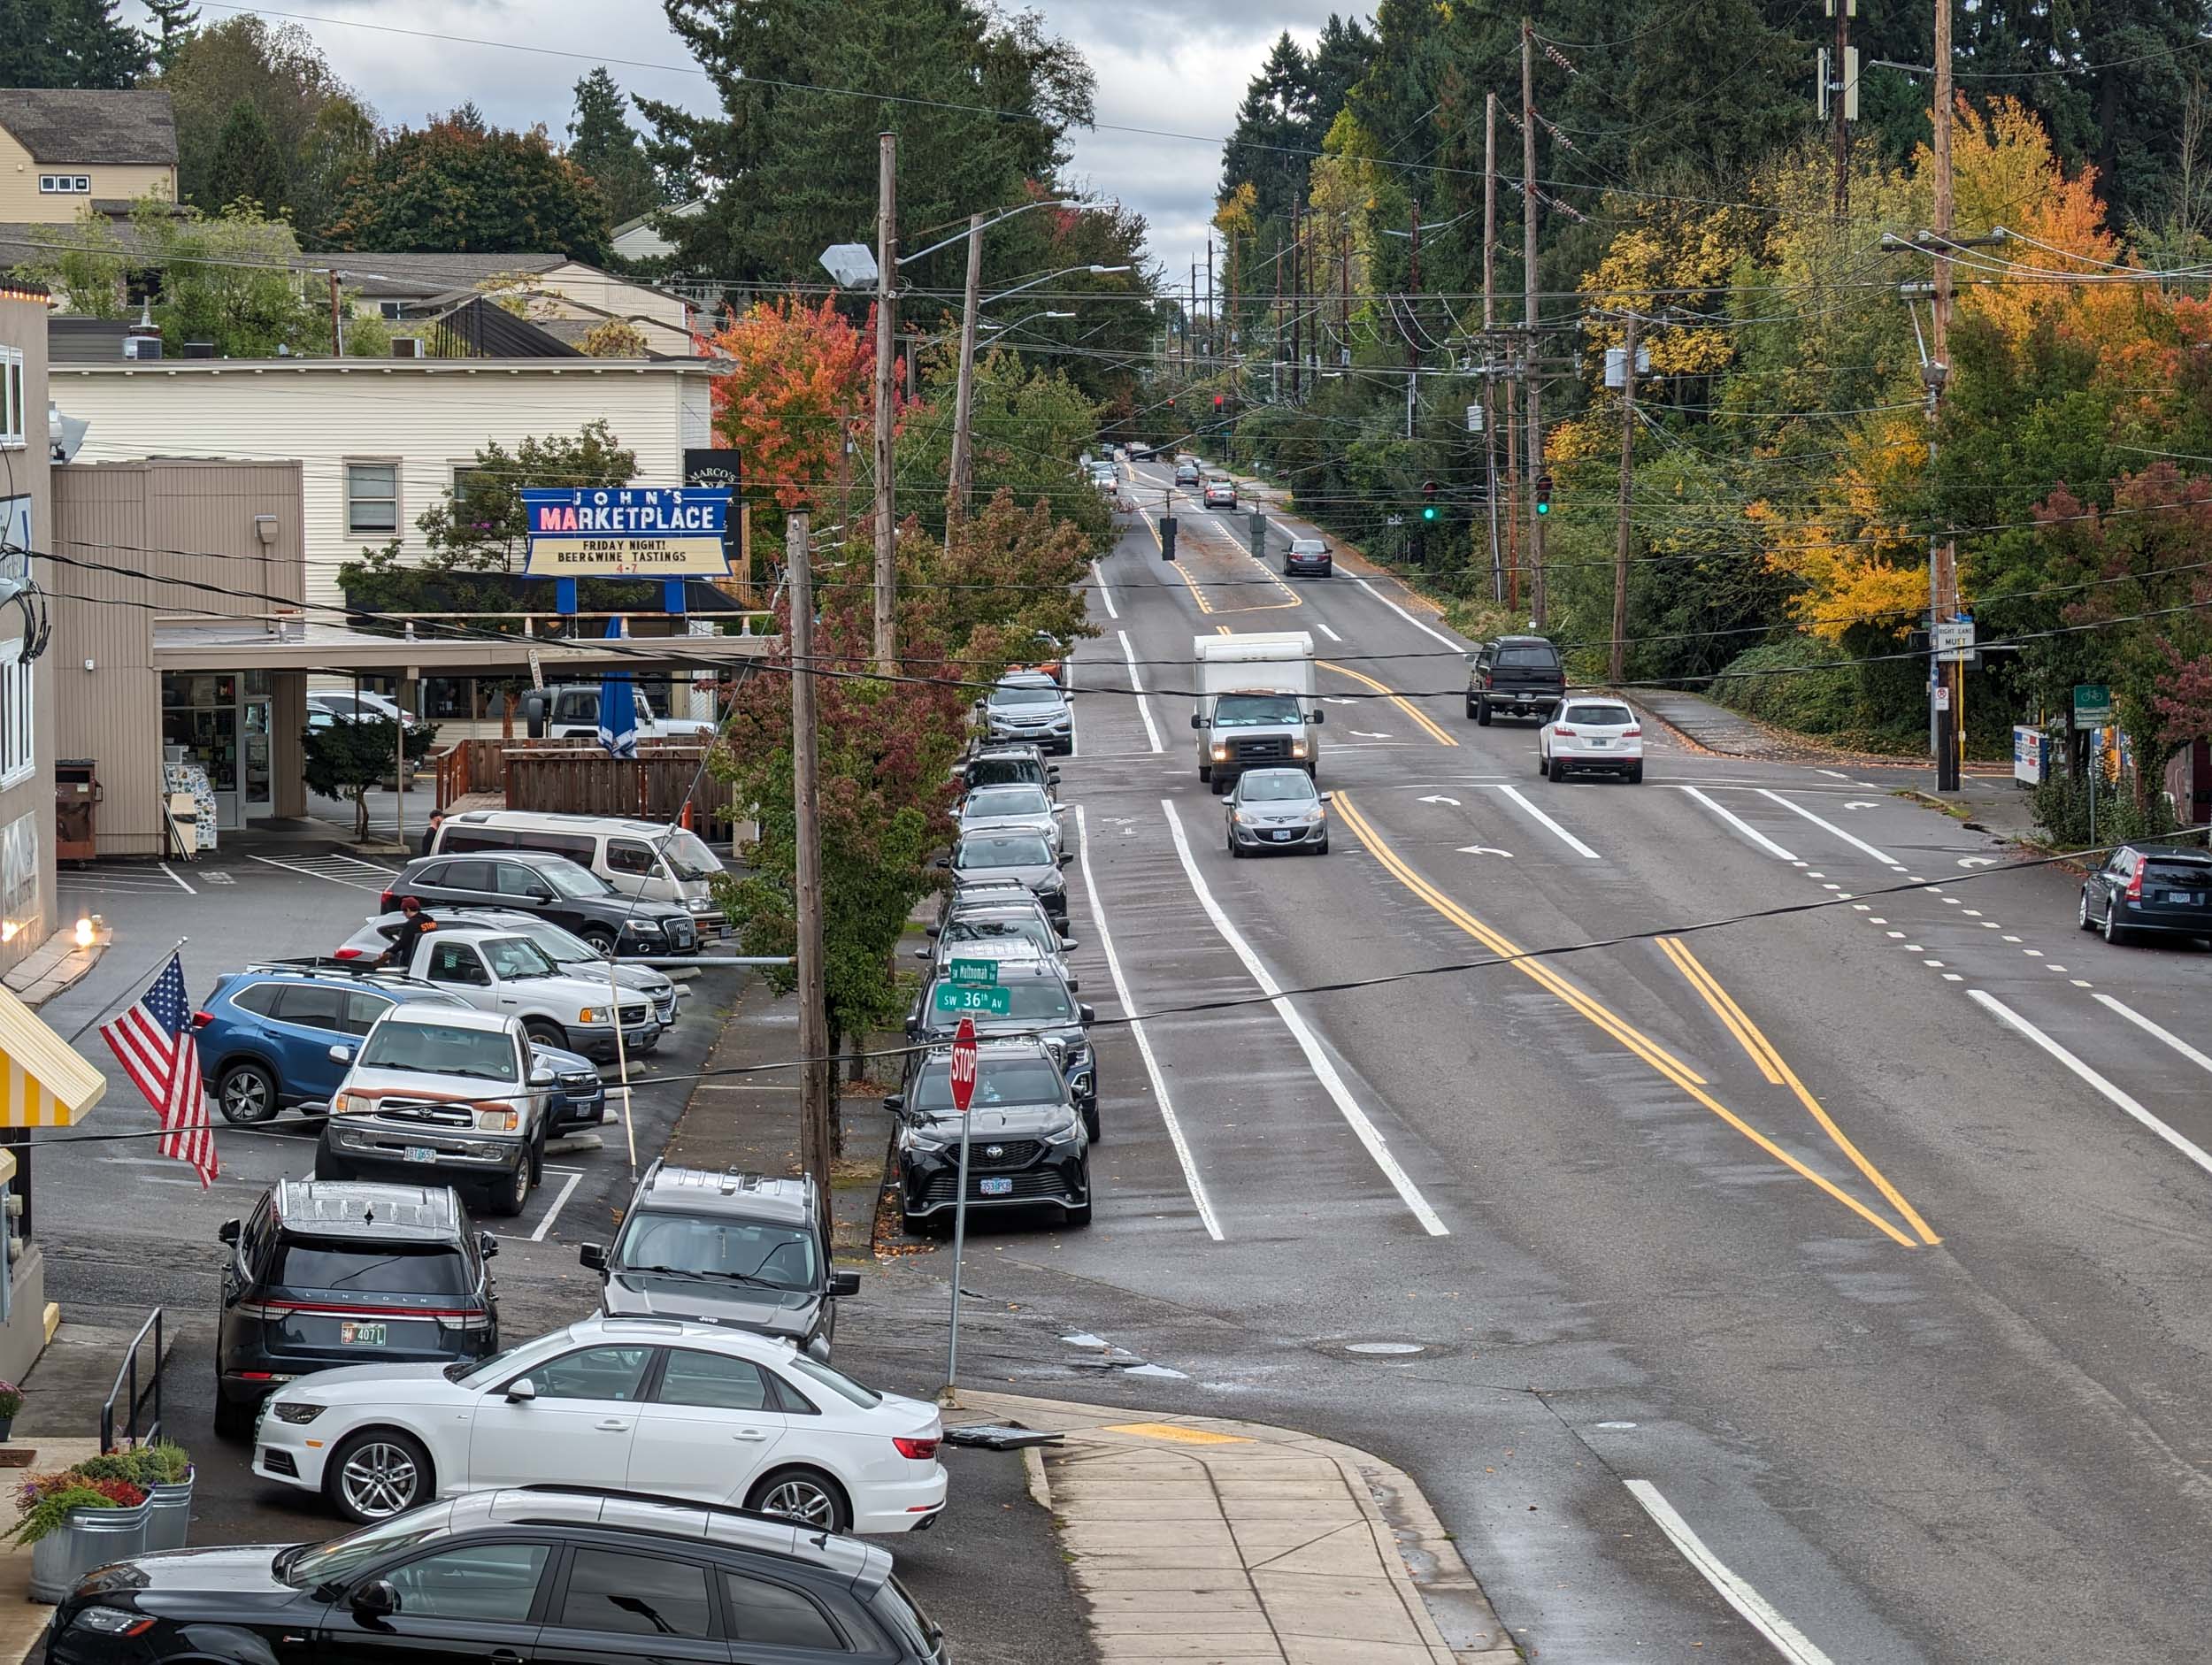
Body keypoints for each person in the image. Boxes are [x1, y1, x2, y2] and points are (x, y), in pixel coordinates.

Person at [380, 895, 436, 970]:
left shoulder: (412, 923)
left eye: (404, 911)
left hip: (413, 959)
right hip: (428, 958)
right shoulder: (430, 921)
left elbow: (402, 942)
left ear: (408, 909)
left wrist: (387, 952)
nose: (404, 914)